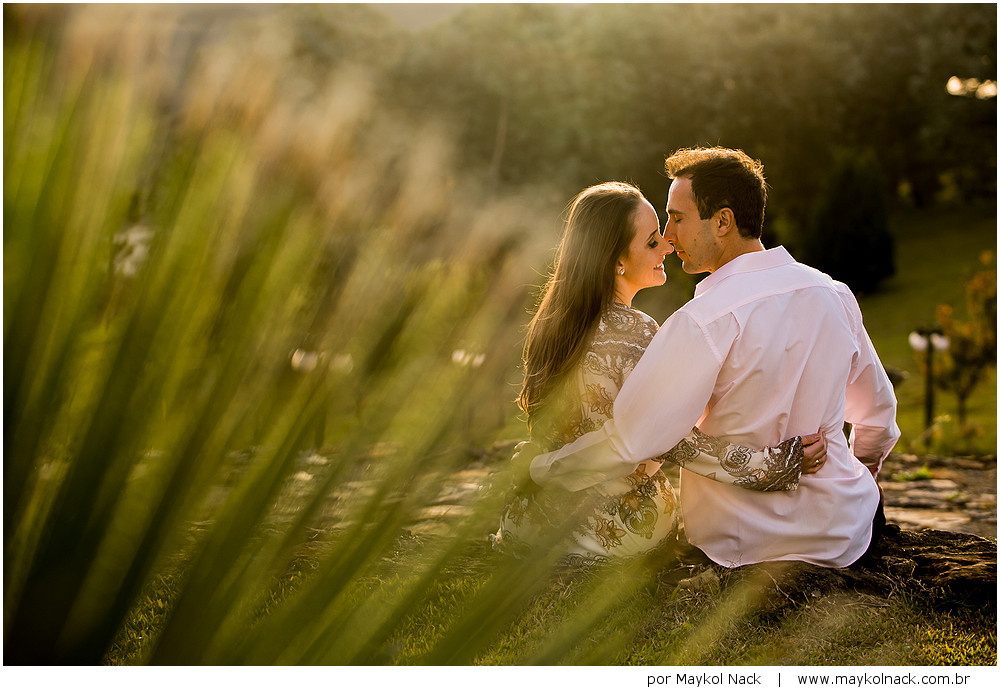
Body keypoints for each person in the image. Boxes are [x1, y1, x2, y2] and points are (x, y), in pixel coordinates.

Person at [526, 149, 899, 569]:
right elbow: (879, 416)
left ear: (722, 221)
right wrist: (864, 471)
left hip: (740, 543)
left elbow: (632, 439)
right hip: (843, 529)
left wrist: (544, 468)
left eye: (677, 218)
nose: (668, 236)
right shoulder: (833, 294)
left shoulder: (700, 322)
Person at [493, 181, 825, 565]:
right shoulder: (639, 334)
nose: (668, 246)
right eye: (652, 242)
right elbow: (677, 442)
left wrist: (537, 467)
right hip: (619, 526)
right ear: (615, 260)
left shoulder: (550, 325)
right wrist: (774, 465)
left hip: (533, 520)